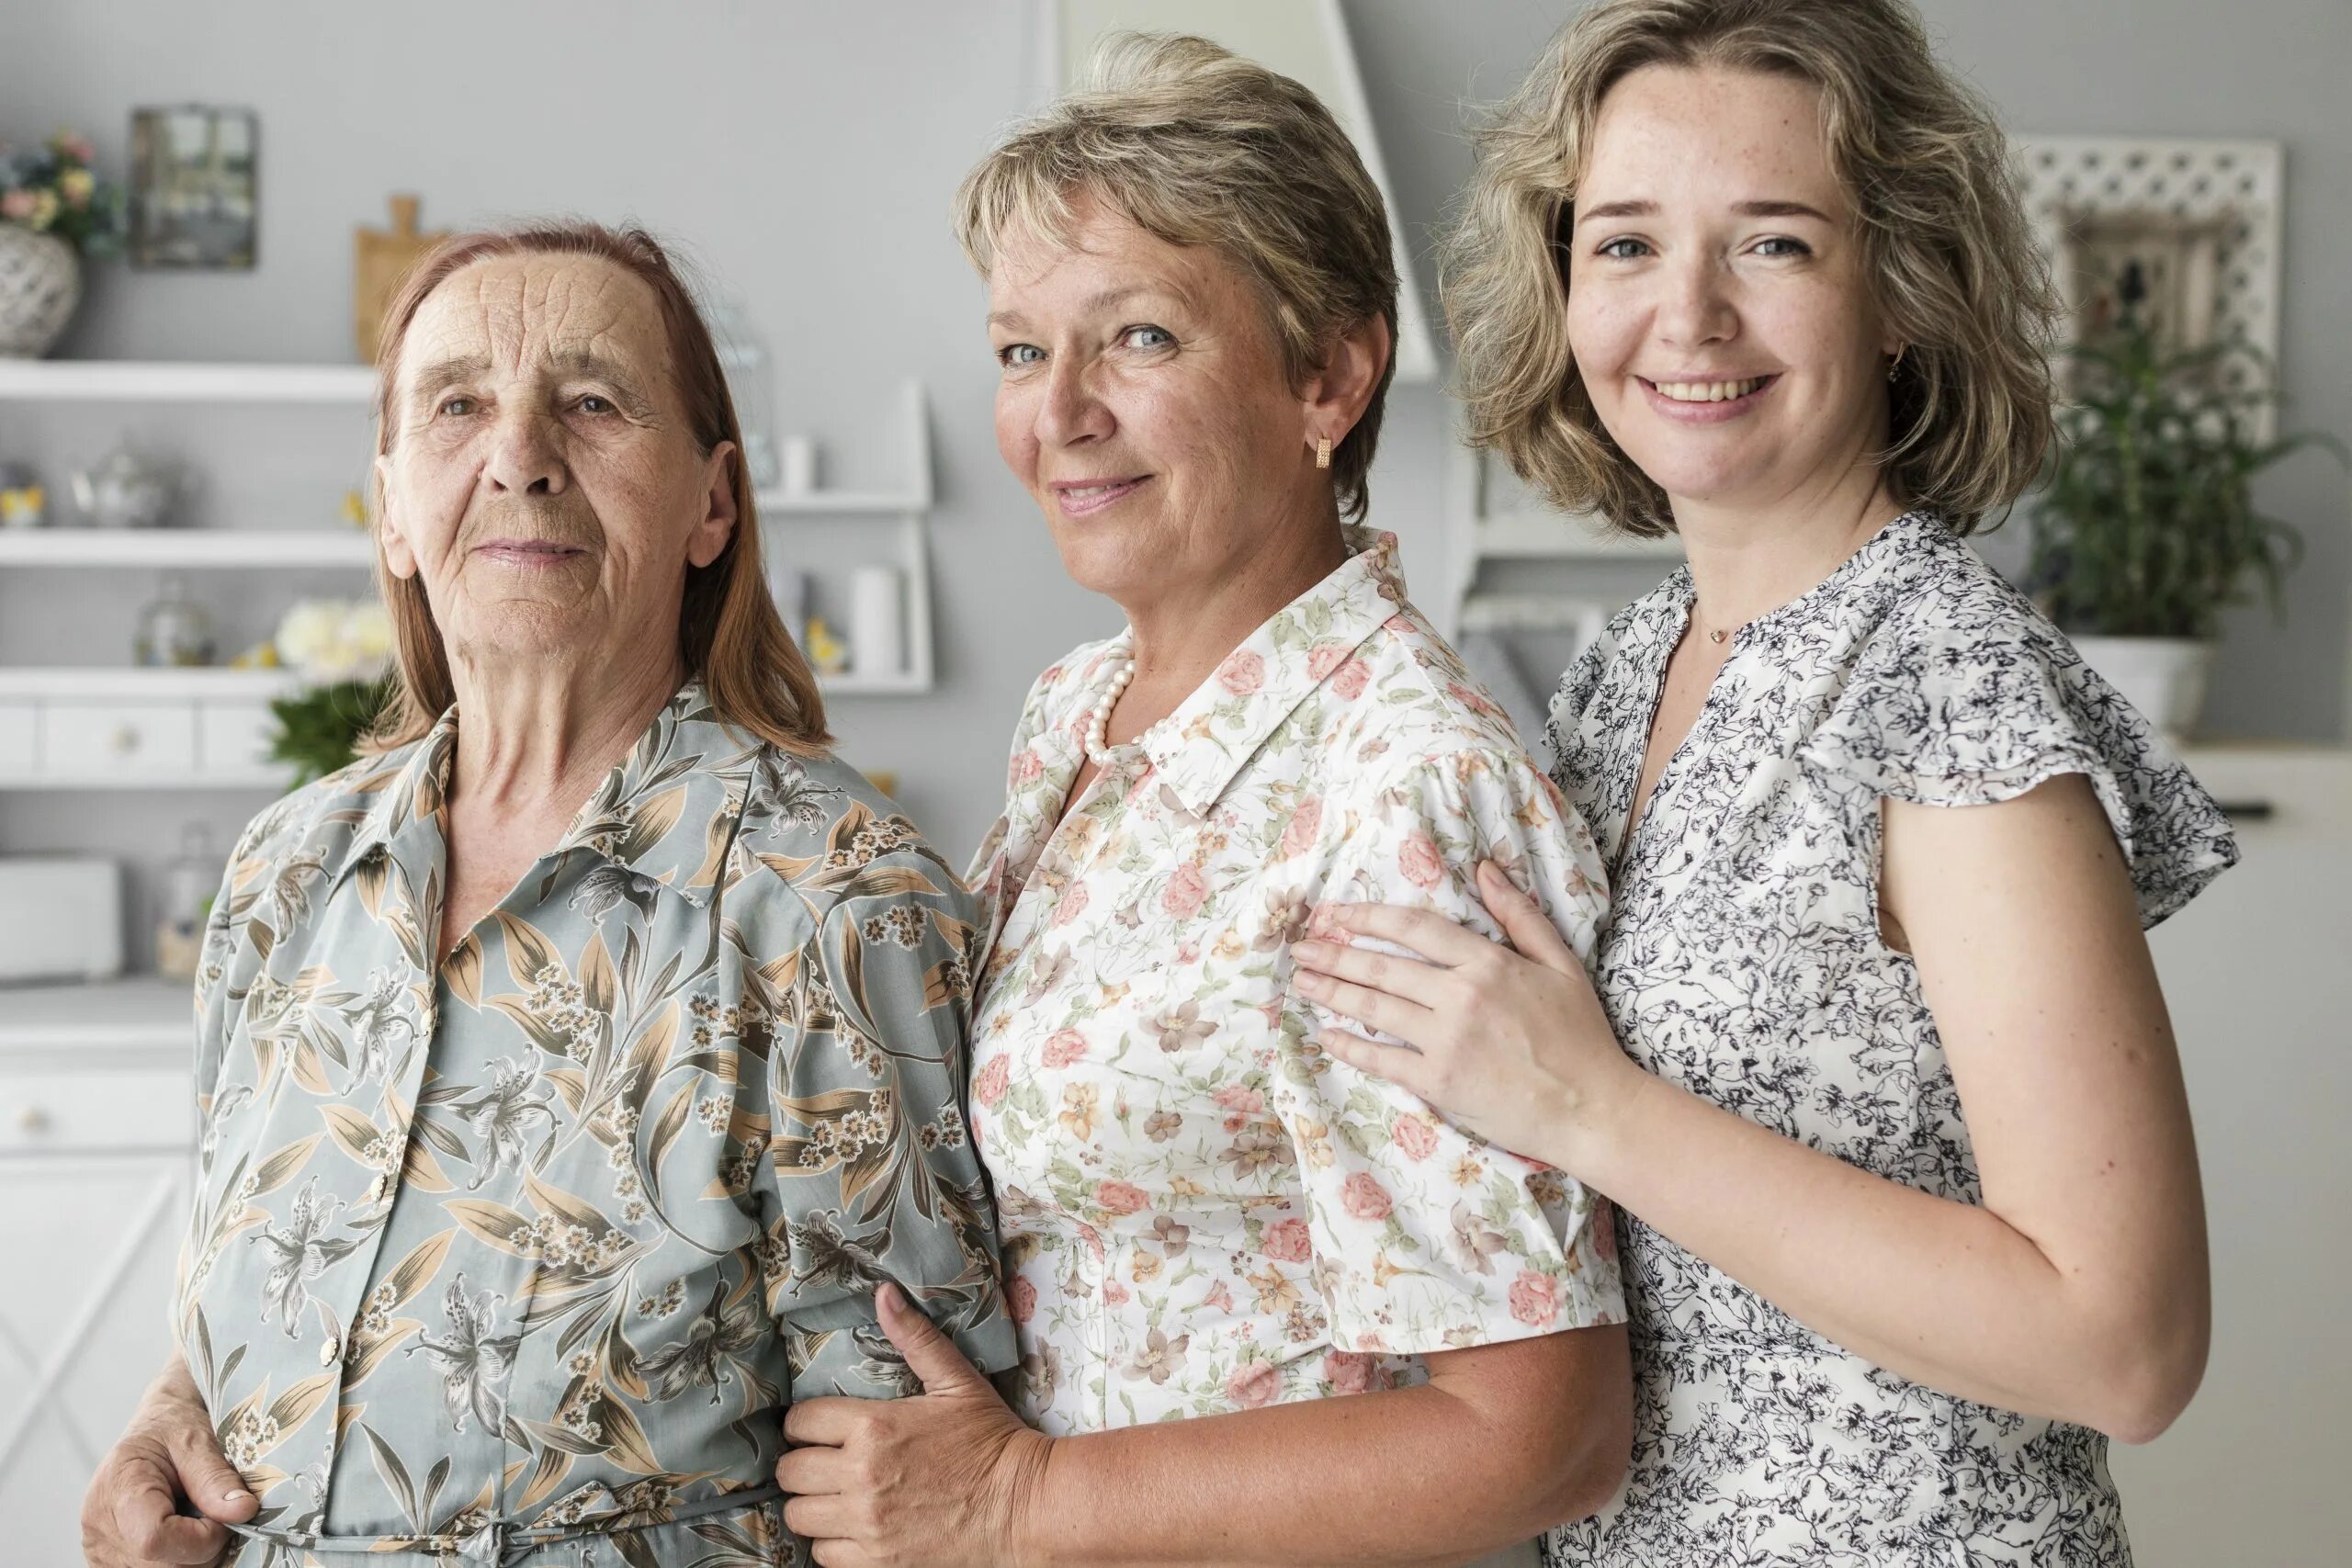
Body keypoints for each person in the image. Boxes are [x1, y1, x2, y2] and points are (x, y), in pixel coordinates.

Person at [1289, 3, 2238, 1563]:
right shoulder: (1624, 665)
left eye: (1776, 245)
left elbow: (2124, 1345)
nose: (1690, 316)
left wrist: (1590, 1108)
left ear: (1901, 296)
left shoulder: (1942, 677)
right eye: (1626, 245)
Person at [773, 34, 1630, 1568]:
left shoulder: (1400, 792)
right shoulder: (1075, 712)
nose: (1062, 416)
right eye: (1023, 352)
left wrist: (1015, 1502)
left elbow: (1539, 1433)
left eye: (1143, 339)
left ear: (1330, 375)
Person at [79, 220, 1012, 1568]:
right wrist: (164, 1423)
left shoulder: (833, 903)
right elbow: (245, 1306)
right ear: (392, 506)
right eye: (458, 405)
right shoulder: (287, 870)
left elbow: (917, 1484)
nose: (519, 455)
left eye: (592, 402)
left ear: (713, 503)